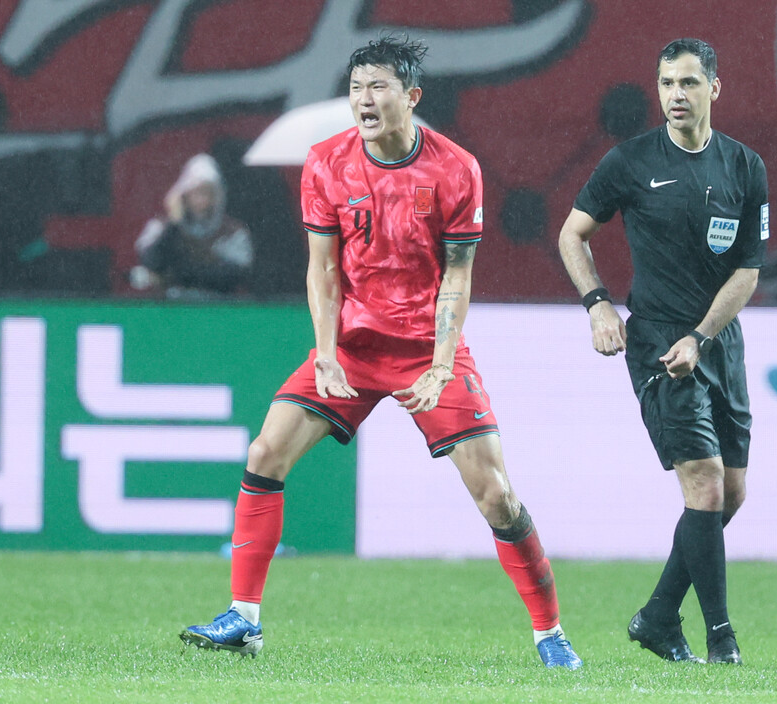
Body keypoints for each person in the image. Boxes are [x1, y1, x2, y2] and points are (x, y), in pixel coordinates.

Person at [179, 36, 582, 670]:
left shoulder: (456, 169)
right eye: (357, 87)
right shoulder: (326, 162)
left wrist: (444, 364)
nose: (364, 100)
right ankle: (244, 620)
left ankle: (550, 632)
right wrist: (327, 351)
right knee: (265, 451)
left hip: (428, 347)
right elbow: (323, 270)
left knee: (496, 494)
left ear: (411, 96)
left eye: (379, 87)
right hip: (357, 345)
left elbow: (458, 275)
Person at [558, 38, 769, 666]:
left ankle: (655, 617)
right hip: (654, 341)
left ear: (715, 88)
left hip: (717, 342)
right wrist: (598, 303)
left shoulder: (744, 167)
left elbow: (748, 272)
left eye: (688, 83)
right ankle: (721, 638)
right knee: (702, 486)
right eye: (666, 83)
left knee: (731, 494)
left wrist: (702, 338)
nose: (675, 95)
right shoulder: (630, 162)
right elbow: (573, 233)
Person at [132, 153, 253, 299]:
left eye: (207, 193)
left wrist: (180, 274)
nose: (201, 199)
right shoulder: (161, 227)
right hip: (171, 310)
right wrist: (173, 224)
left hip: (217, 309)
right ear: (184, 193)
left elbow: (234, 274)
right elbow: (150, 262)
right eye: (196, 192)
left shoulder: (232, 231)